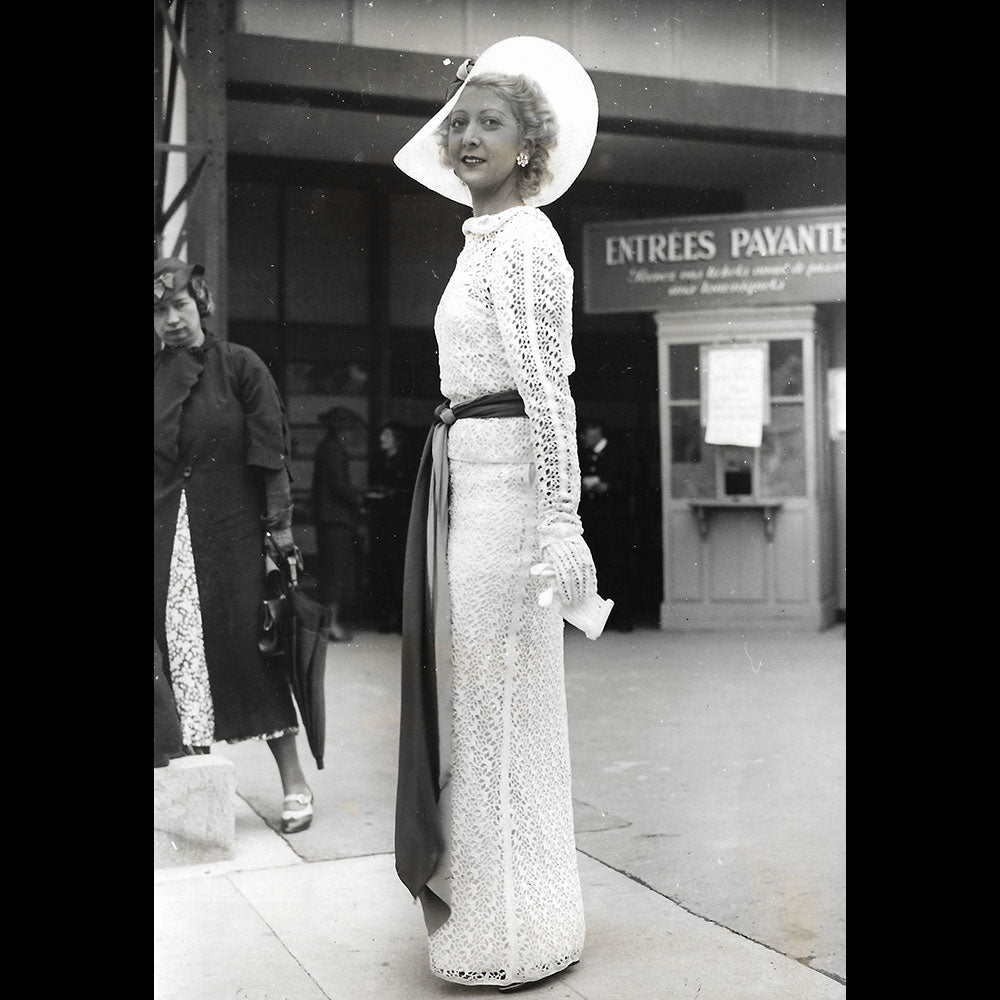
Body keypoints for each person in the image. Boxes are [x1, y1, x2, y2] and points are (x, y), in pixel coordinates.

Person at [392, 36, 601, 992]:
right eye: (459, 120)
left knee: (498, 709)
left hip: (510, 500)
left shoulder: (527, 241)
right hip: (463, 486)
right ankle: (492, 912)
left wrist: (561, 521)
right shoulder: (481, 243)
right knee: (472, 710)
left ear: (528, 145)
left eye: (490, 122)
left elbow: (548, 391)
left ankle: (518, 928)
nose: (467, 134)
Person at [153, 257, 315, 834]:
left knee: (252, 652)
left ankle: (293, 782)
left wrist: (282, 530)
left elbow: (271, 452)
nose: (171, 320)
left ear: (200, 304)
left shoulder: (239, 365)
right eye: (158, 311)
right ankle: (197, 792)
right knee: (179, 662)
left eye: (179, 306)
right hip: (167, 542)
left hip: (234, 535)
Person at [312, 406, 363, 641]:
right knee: (334, 574)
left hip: (329, 518)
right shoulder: (333, 449)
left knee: (332, 572)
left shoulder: (328, 447)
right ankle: (330, 625)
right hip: (335, 518)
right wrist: (358, 498)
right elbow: (338, 485)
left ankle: (330, 624)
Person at [579, 418, 634, 631]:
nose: (584, 438)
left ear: (597, 429)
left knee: (617, 568)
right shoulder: (583, 456)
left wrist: (607, 487)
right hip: (592, 522)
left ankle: (622, 619)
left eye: (586, 432)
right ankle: (599, 621)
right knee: (596, 570)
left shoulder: (617, 453)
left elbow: (628, 482)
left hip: (614, 521)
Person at [364, 423, 414, 633]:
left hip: (399, 523)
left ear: (397, 438)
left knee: (399, 570)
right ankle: (387, 617)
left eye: (387, 434)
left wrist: (389, 494)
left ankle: (402, 619)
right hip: (381, 523)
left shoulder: (406, 462)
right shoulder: (378, 461)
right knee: (382, 569)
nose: (382, 438)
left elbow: (407, 491)